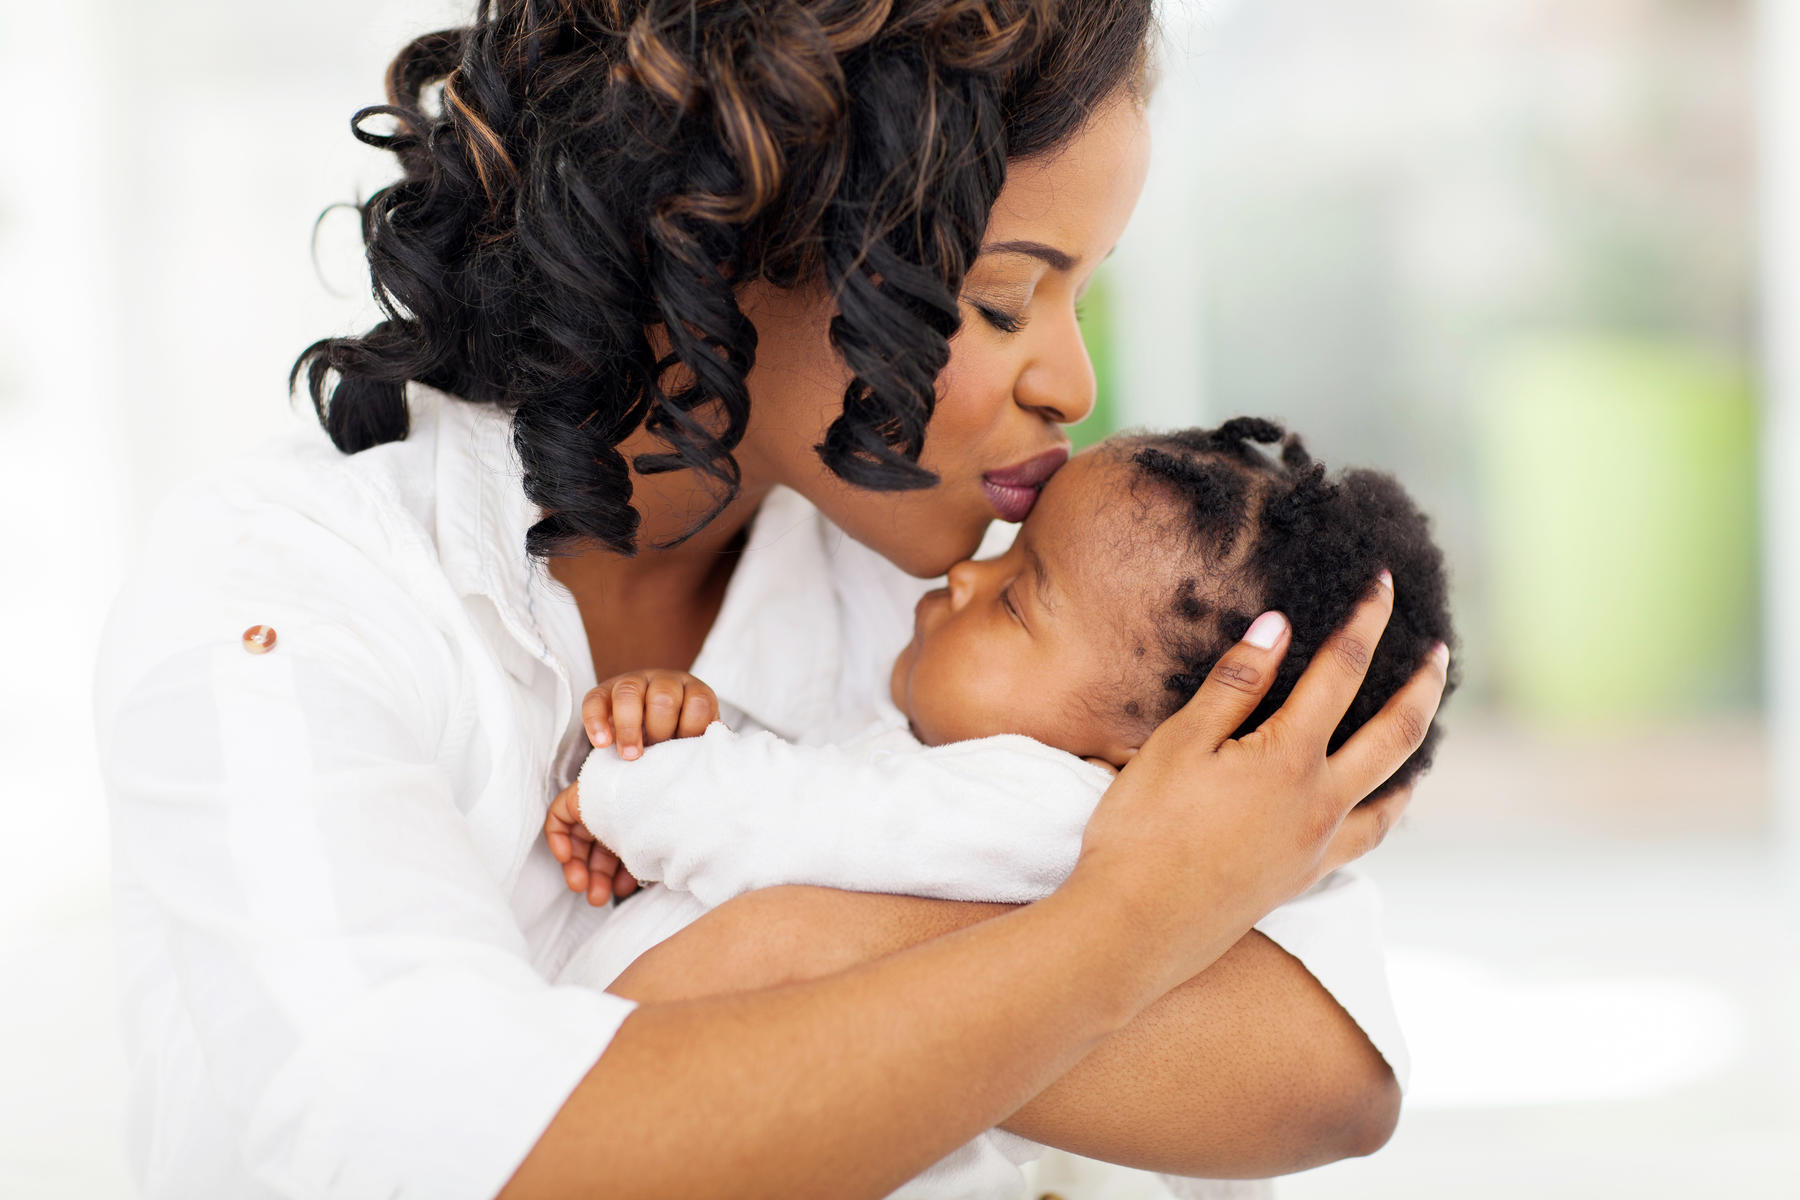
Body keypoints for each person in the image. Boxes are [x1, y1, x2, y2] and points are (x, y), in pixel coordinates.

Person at [93, 4, 1451, 1198]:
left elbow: (1324, 1070)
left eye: (1082, 298)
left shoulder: (963, 600)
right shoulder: (283, 587)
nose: (1073, 387)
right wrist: (1126, 932)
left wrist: (788, 941)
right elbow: (471, 1153)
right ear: (729, 234)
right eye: (1003, 300)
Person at [540, 420, 1456, 1198]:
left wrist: (642, 781)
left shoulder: (1034, 800)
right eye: (1003, 557)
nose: (967, 582)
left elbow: (780, 819)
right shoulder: (1225, 863)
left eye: (1018, 599)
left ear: (1159, 760)